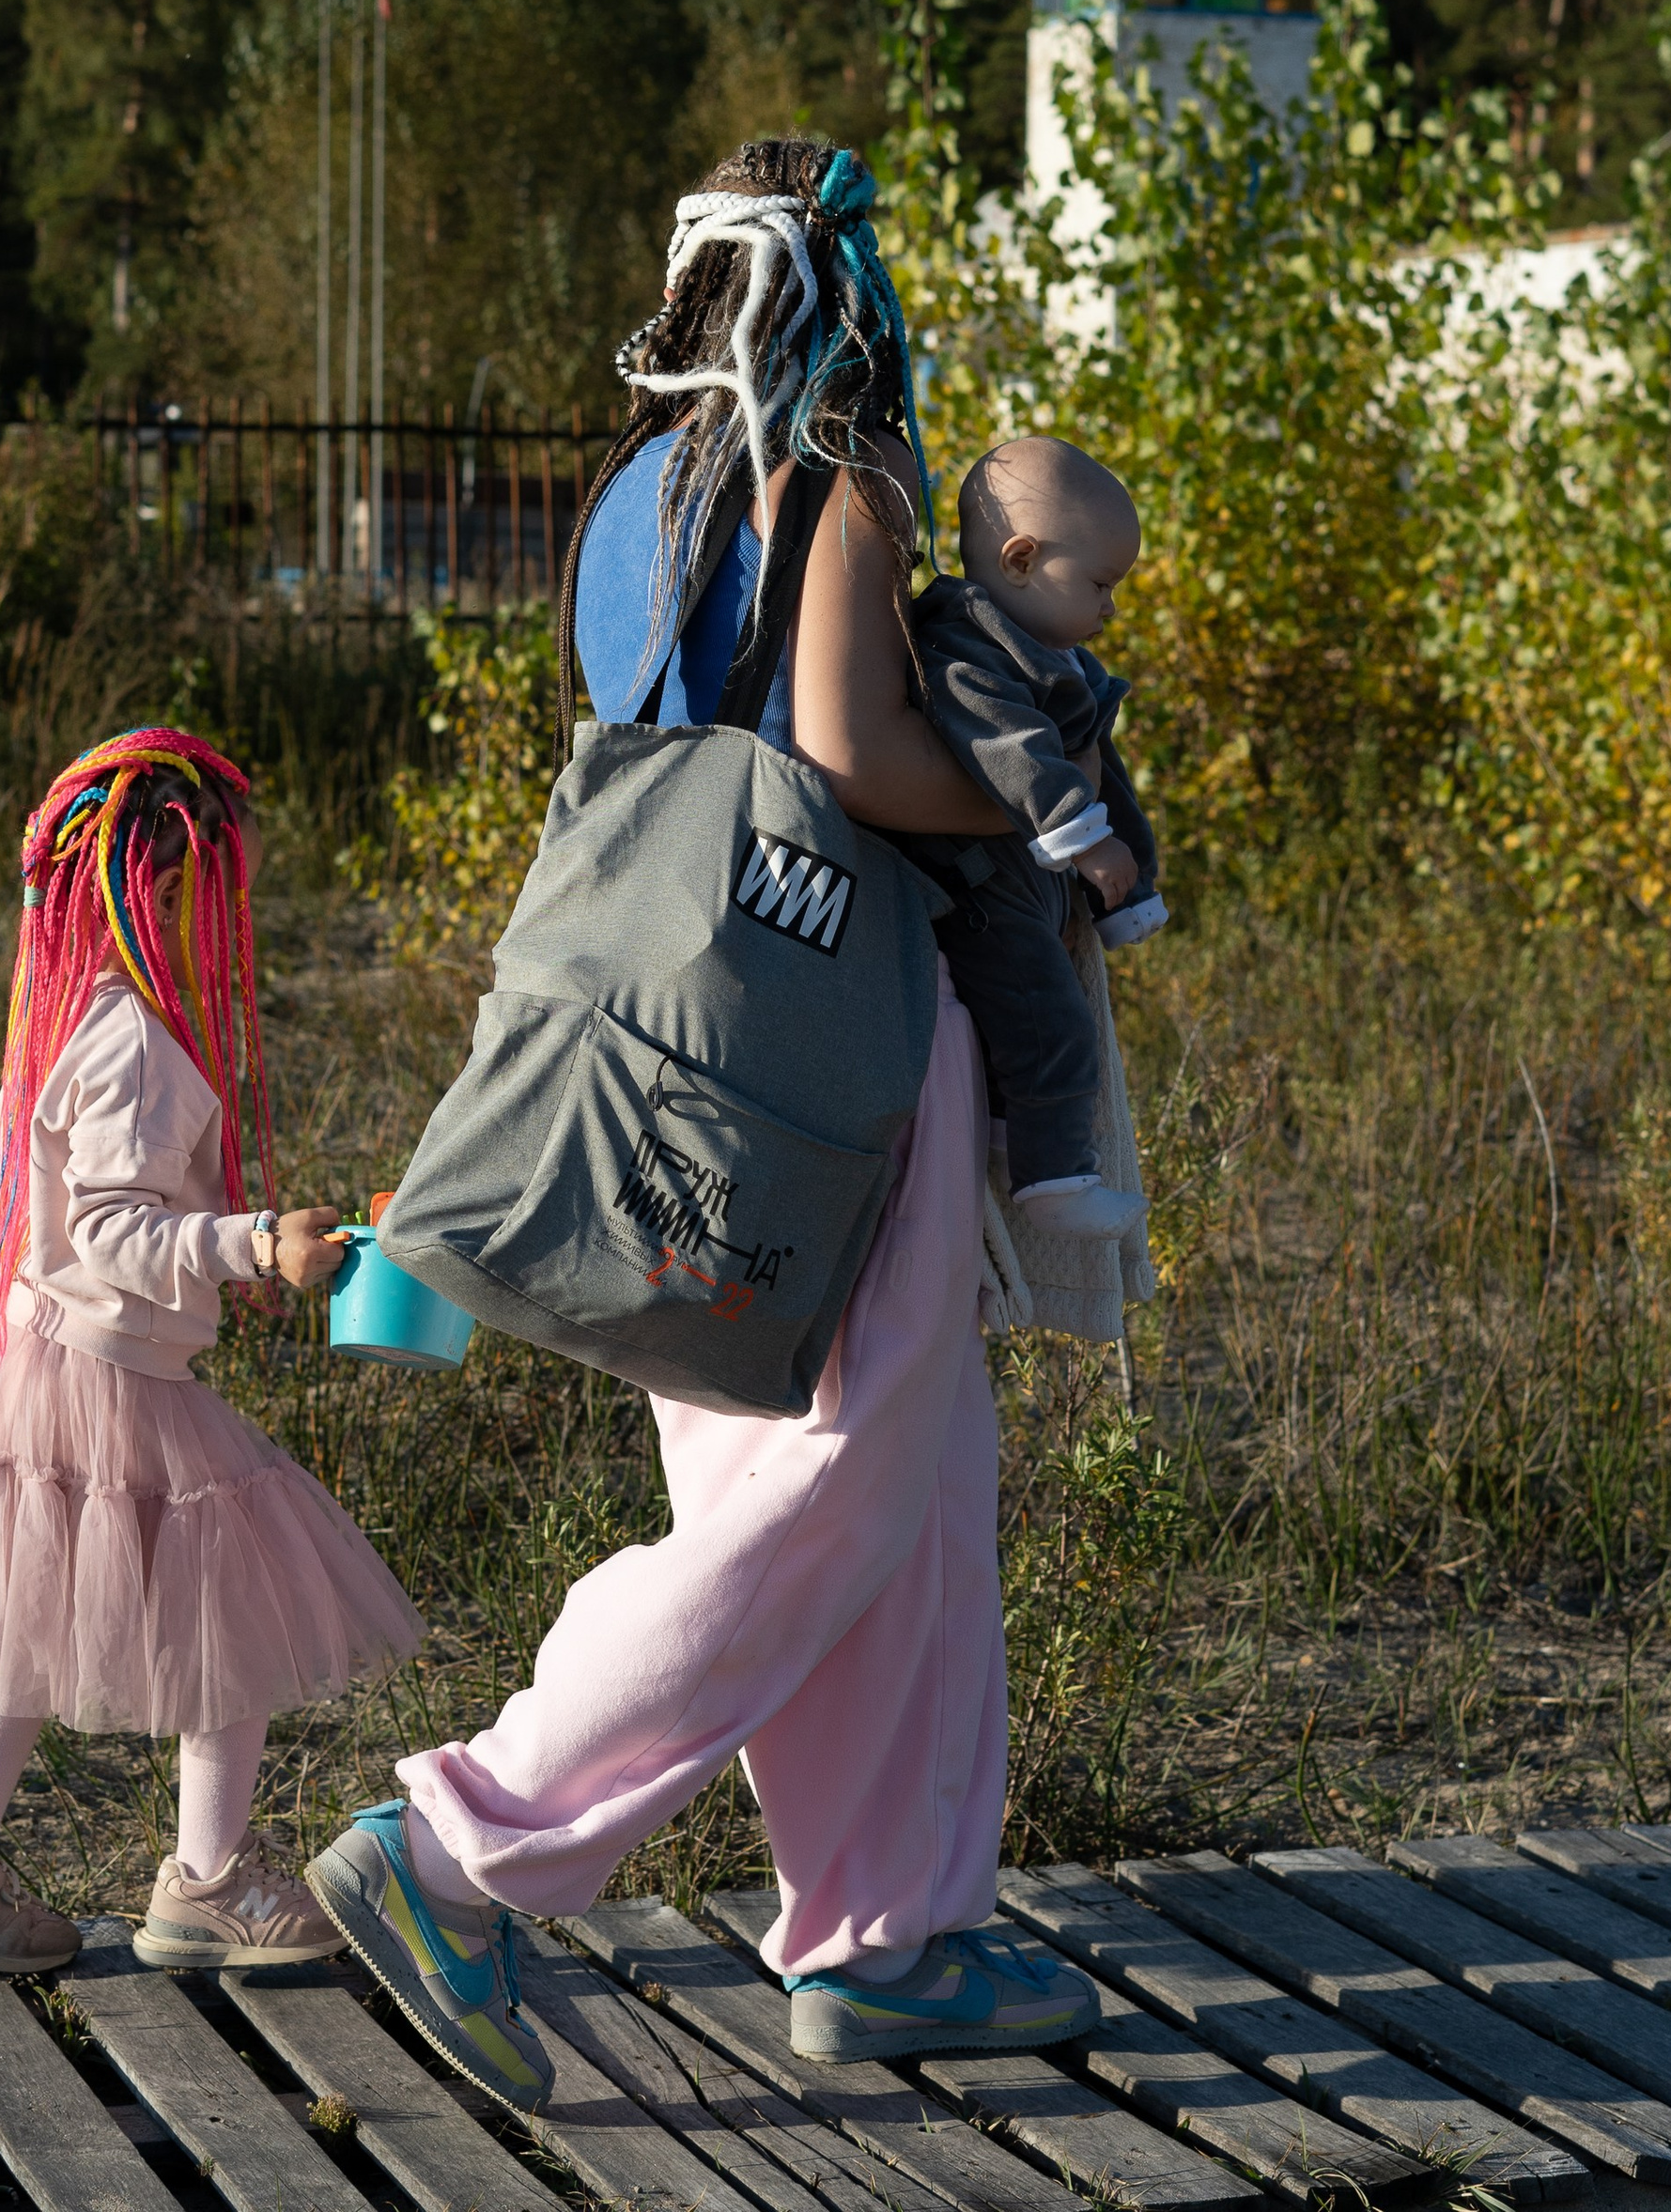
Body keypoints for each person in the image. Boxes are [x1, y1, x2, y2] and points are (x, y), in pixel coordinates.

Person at [306, 139, 1096, 2106]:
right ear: (837, 284)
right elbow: (843, 747)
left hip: (661, 1046)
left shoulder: (630, 495)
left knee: (872, 1500)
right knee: (843, 1486)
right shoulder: (840, 464)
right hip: (832, 1048)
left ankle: (887, 1935)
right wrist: (1043, 810)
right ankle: (466, 1842)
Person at [0, 726, 422, 1976]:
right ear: (169, 893)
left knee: (28, 1630)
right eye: (229, 901)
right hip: (103, 1377)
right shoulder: (137, 1045)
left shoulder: (56, 1018)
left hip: (42, 1368)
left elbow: (39, 1215)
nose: (236, 929)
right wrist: (253, 1247)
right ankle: (206, 1881)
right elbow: (114, 1228)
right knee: (231, 1601)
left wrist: (220, 1259)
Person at [895, 436, 1166, 1234]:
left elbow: (1098, 768)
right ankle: (1055, 1183)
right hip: (977, 882)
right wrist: (1084, 841)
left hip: (1016, 878)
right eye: (1099, 584)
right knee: (1049, 1022)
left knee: (1035, 1017)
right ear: (1019, 558)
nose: (1110, 606)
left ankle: (1020, 1140)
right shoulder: (964, 649)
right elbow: (1013, 754)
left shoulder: (1045, 651)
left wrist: (1129, 883)